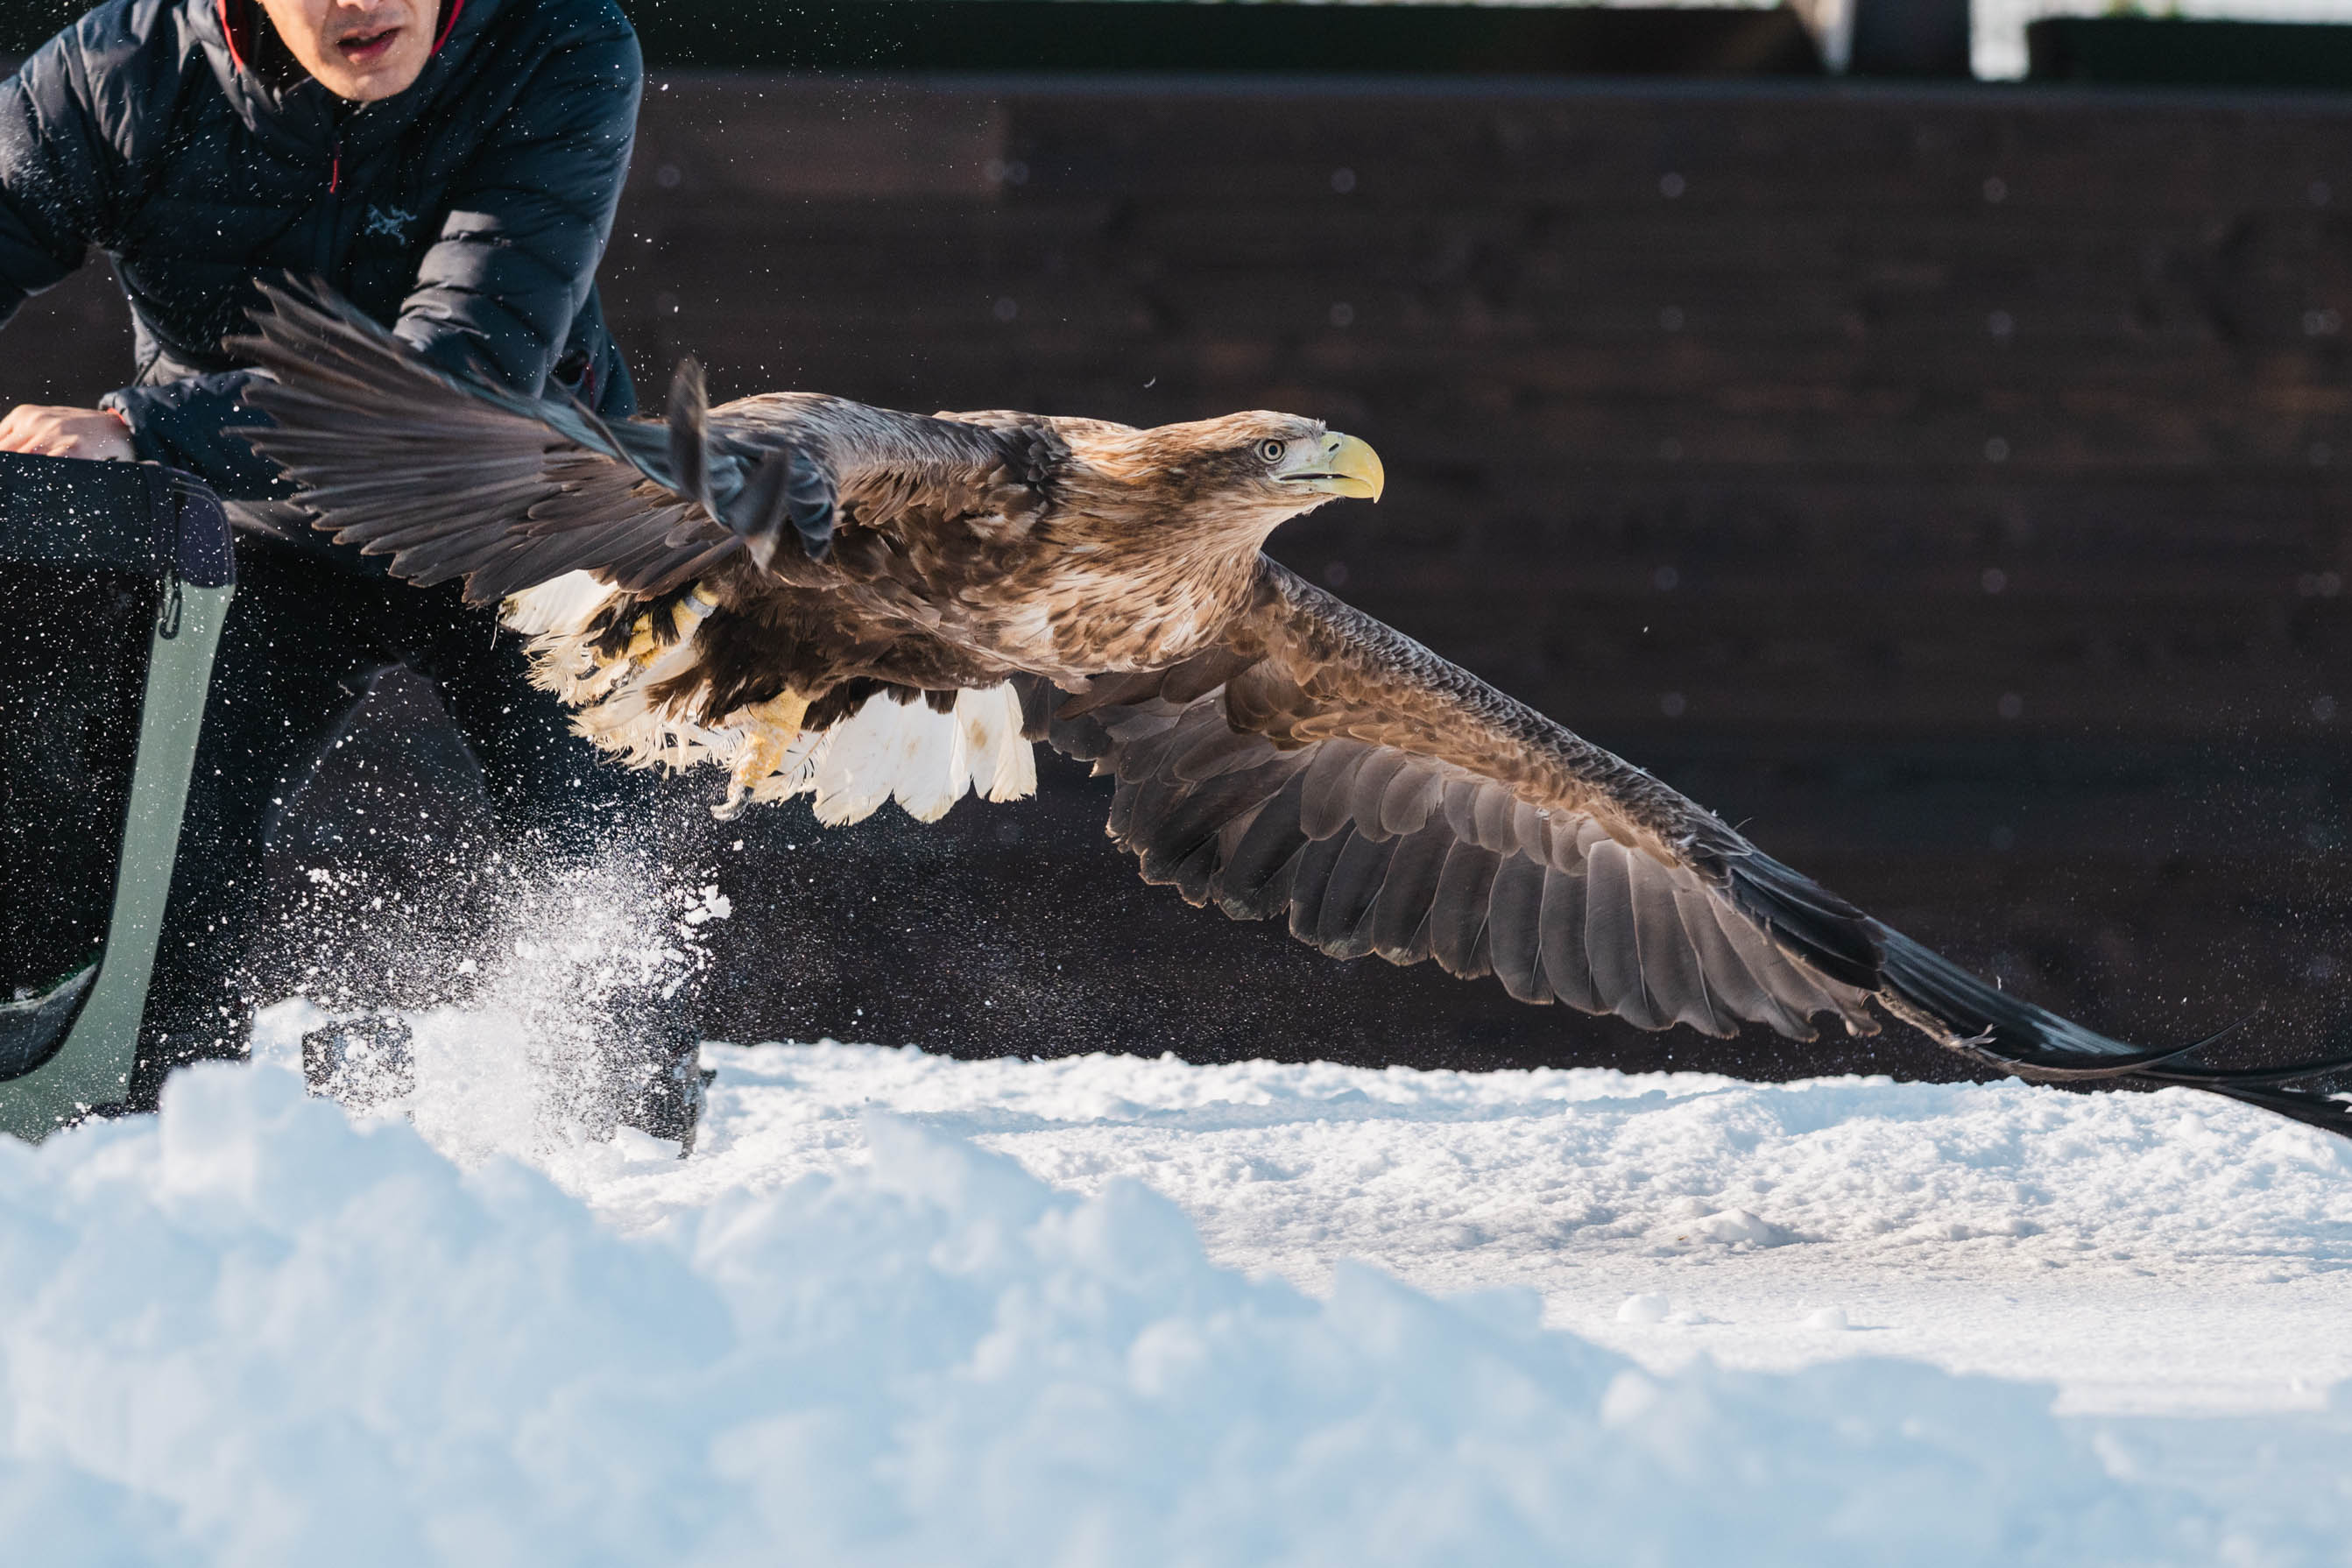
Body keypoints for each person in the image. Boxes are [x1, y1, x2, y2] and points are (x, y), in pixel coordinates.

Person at [0, 0, 712, 1145]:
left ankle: (627, 1183)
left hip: (522, 516)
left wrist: (141, 426)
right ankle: (157, 1151)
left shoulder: (562, 42)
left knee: (602, 935)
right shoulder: (116, 73)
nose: (359, 2)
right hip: (262, 533)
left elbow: (454, 386)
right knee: (143, 885)